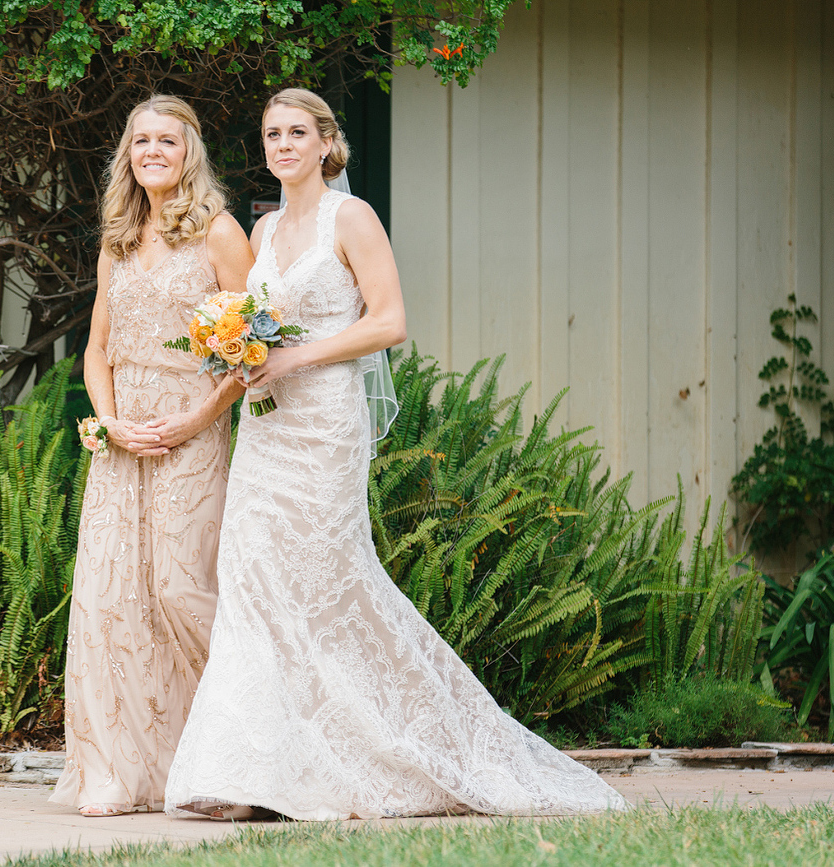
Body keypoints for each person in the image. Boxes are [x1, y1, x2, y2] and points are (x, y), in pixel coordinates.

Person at [163, 88, 628, 820]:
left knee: (326, 585)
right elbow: (259, 324)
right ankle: (250, 774)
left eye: (296, 132)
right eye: (270, 134)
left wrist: (294, 359)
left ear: (325, 143)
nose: (282, 145)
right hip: (266, 428)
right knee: (253, 585)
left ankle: (404, 753)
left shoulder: (352, 218)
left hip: (323, 426)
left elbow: (389, 321)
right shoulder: (267, 227)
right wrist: (240, 351)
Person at [50, 94, 252, 817]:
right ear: (127, 154)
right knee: (111, 602)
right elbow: (96, 348)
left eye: (167, 140)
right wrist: (108, 423)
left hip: (192, 427)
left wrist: (195, 418)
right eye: (141, 142)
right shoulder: (119, 235)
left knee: (178, 588)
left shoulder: (221, 234)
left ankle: (233, 762)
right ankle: (116, 771)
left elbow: (249, 352)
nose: (153, 152)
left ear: (189, 150)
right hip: (123, 435)